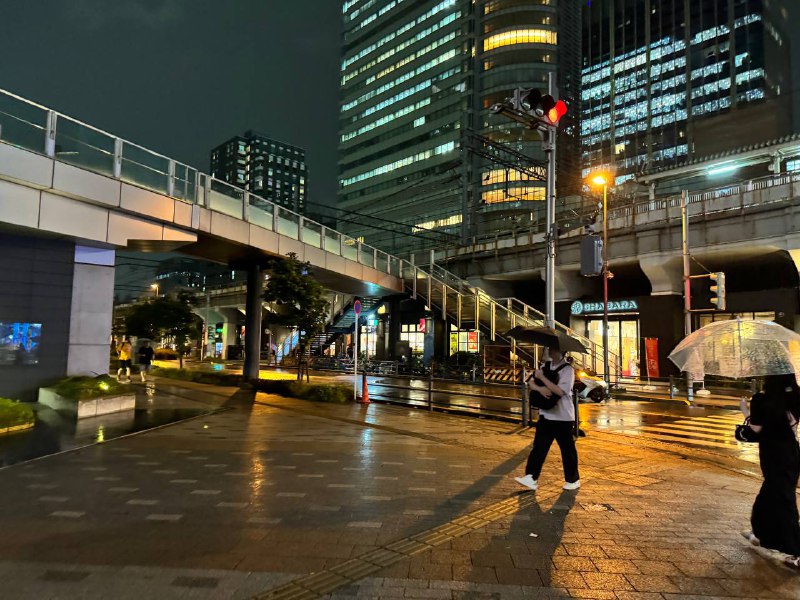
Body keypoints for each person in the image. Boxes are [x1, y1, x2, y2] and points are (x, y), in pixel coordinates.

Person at [740, 373, 800, 566]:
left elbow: (754, 431)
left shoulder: (761, 400)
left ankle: (795, 550)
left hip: (773, 455)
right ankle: (761, 533)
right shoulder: (795, 396)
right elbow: (787, 424)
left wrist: (745, 412)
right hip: (791, 453)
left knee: (784, 500)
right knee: (770, 496)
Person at [515, 345, 580, 491]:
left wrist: (543, 379)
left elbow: (561, 391)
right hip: (546, 415)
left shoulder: (568, 370)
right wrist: (540, 388)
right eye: (549, 349)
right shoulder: (545, 366)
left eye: (554, 349)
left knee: (567, 449)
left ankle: (573, 479)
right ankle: (531, 477)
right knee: (539, 448)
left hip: (563, 417)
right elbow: (531, 382)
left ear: (562, 351)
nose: (550, 351)